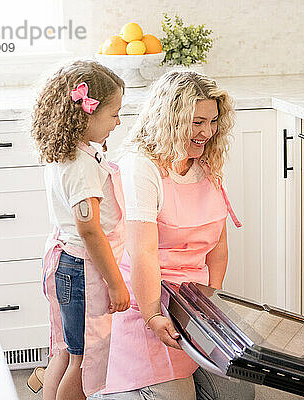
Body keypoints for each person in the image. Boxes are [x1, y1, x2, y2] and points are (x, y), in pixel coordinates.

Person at [91, 71, 255, 400]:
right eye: (197, 122)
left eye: (212, 121)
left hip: (192, 306)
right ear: (172, 118)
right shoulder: (143, 166)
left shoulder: (205, 163)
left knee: (239, 394)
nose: (207, 132)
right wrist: (152, 315)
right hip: (147, 301)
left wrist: (212, 307)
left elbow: (218, 248)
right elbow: (144, 254)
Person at [30, 60, 131, 400]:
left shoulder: (68, 152)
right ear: (87, 115)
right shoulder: (81, 166)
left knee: (66, 350)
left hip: (68, 264)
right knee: (84, 359)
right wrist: (116, 284)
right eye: (114, 114)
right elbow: (89, 230)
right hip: (84, 270)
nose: (119, 122)